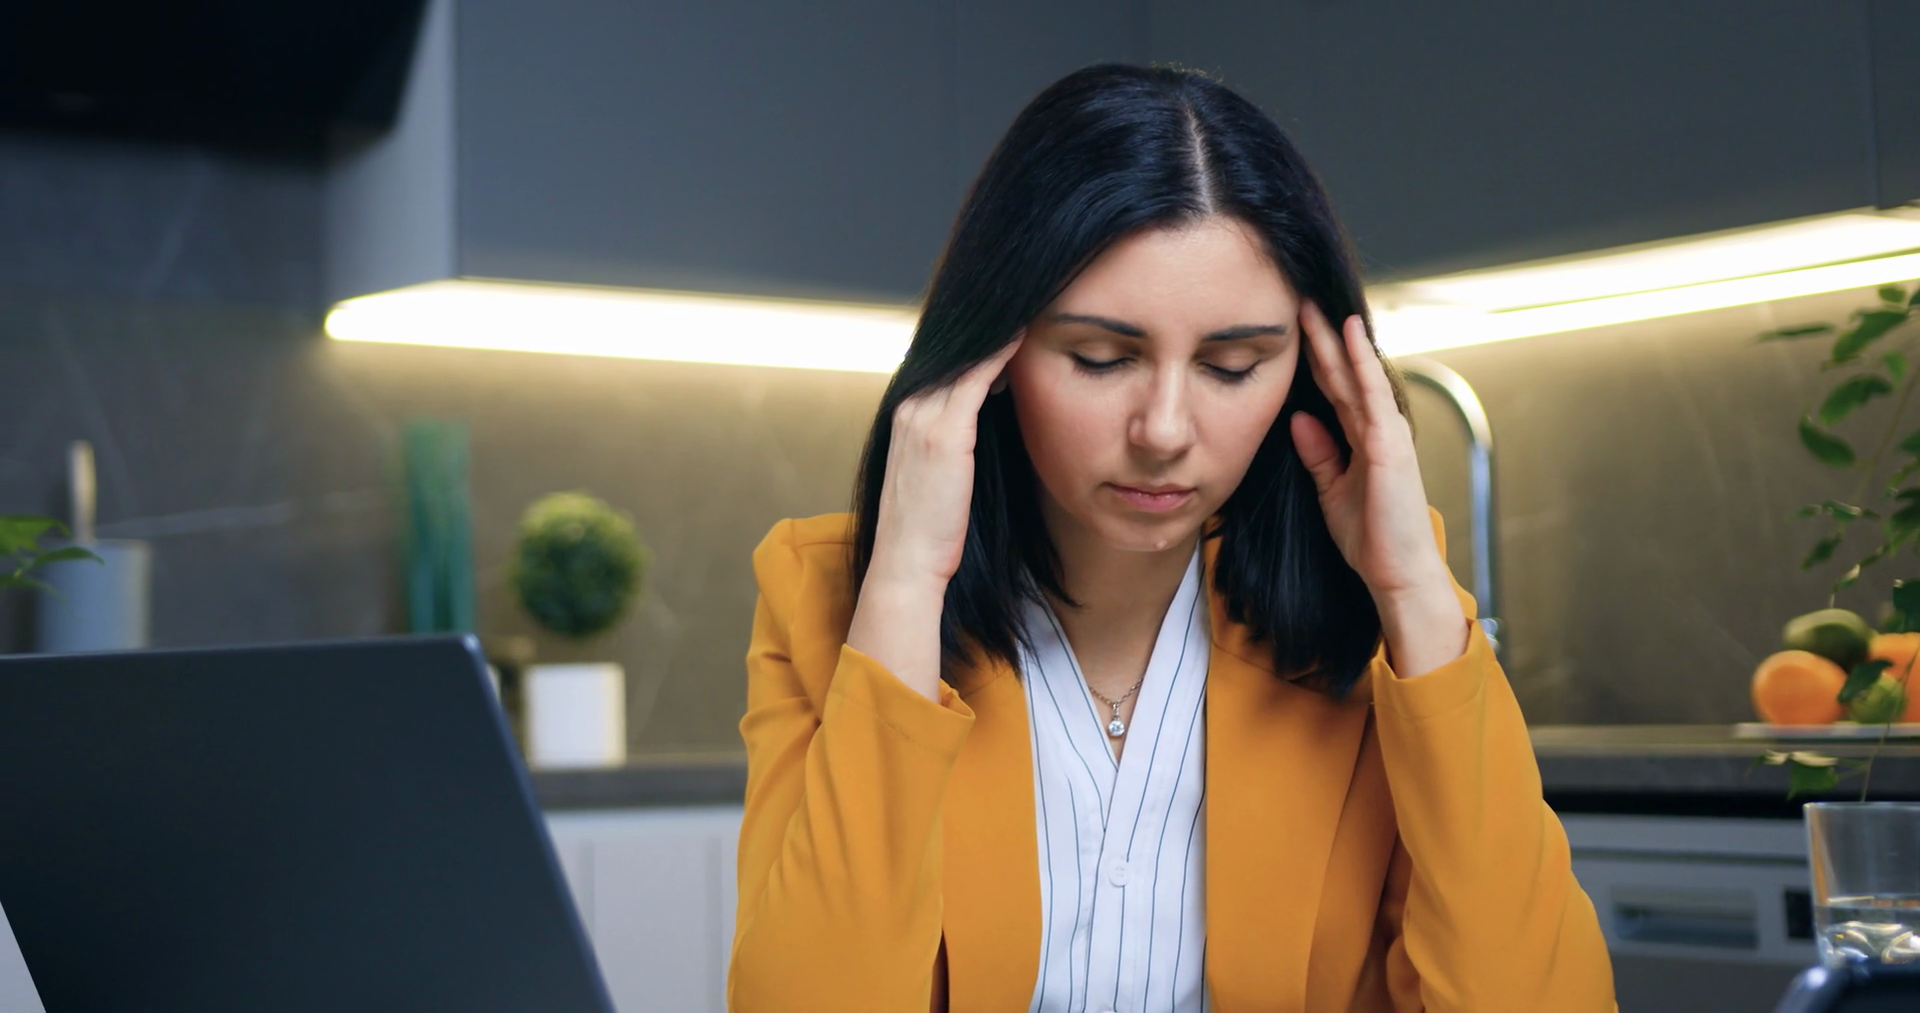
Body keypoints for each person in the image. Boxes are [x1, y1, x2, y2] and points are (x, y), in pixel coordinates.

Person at [727, 63, 1615, 1012]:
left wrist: (1413, 594)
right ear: (996, 350)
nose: (1163, 429)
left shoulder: (1387, 621)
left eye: (1233, 366)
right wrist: (905, 580)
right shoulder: (829, 599)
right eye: (1102, 358)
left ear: (1304, 373)